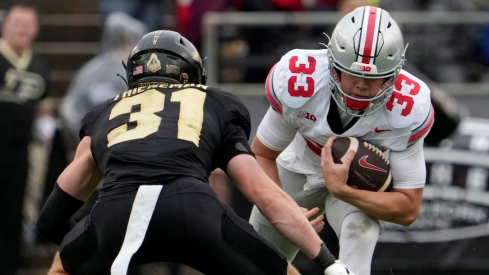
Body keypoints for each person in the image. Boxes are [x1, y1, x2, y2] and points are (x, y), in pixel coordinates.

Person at [37, 30, 353, 275]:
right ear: (192, 73)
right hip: (193, 210)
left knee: (62, 267)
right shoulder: (214, 102)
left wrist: (94, 248)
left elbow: (51, 219)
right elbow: (260, 191)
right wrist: (327, 262)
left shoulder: (105, 113)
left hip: (116, 212)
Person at [248, 6, 434, 275]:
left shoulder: (409, 106)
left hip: (357, 186)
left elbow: (408, 208)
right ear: (332, 63)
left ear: (394, 74)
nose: (361, 85)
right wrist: (283, 207)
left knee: (361, 232)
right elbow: (262, 155)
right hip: (296, 169)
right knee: (258, 262)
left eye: (373, 77)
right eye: (354, 73)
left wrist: (343, 190)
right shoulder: (302, 78)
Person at [0, 4, 49, 274]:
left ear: (36, 30)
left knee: (14, 209)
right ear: (4, 24)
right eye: (17, 22)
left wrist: (45, 125)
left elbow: (43, 106)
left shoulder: (39, 65)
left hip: (20, 150)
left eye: (28, 24)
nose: (22, 28)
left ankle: (10, 265)